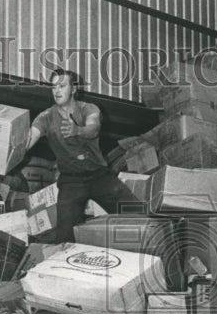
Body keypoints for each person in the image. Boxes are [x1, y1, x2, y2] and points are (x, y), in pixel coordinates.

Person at [16, 68, 146, 243]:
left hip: (100, 176)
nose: (57, 91)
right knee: (65, 238)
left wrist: (77, 130)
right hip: (71, 182)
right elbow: (30, 138)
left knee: (138, 215)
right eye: (53, 87)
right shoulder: (45, 117)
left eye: (62, 86)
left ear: (74, 89)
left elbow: (93, 129)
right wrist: (9, 147)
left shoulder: (88, 108)